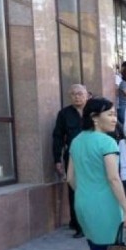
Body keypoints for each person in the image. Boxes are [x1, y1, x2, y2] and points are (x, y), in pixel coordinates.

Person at [66, 97, 126, 250]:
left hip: (83, 201)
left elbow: (70, 178)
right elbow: (114, 179)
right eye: (110, 114)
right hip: (105, 204)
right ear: (95, 118)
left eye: (115, 114)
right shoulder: (107, 143)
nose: (115, 119)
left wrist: (86, 192)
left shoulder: (76, 140)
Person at [53, 84, 89, 238]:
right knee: (74, 190)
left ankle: (91, 222)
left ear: (86, 95)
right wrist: (57, 159)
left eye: (80, 93)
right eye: (73, 94)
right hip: (72, 157)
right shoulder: (64, 114)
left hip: (92, 156)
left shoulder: (93, 111)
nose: (77, 96)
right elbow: (57, 136)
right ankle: (78, 225)